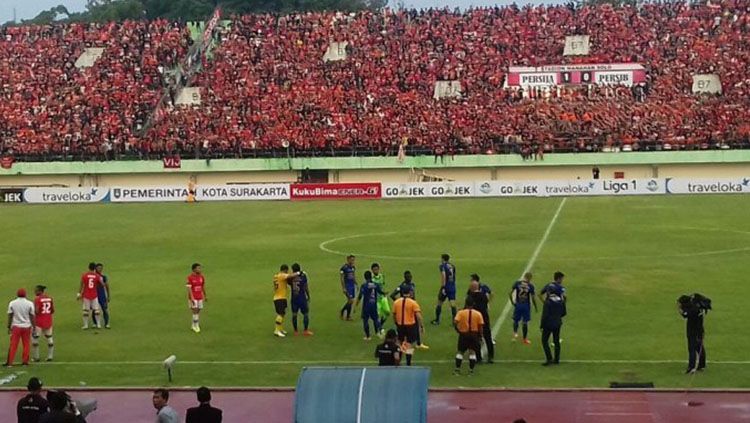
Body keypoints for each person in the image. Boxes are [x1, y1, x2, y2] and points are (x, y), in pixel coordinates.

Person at [539, 272, 567, 366]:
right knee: (556, 340)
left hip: (548, 323)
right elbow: (564, 312)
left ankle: (549, 358)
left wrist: (542, 325)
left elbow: (545, 315)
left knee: (544, 340)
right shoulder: (561, 301)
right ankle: (557, 359)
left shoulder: (547, 302)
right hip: (557, 322)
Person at [678, 294, 710, 374]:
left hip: (693, 332)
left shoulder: (693, 310)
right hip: (699, 331)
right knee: (699, 347)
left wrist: (680, 308)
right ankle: (702, 365)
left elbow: (685, 315)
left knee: (692, 349)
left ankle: (691, 367)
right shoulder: (699, 308)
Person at [392, 288, 424, 366]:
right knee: (409, 344)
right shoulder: (413, 303)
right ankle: (408, 363)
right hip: (410, 326)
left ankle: (397, 362)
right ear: (409, 293)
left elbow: (394, 315)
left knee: (399, 343)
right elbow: (418, 316)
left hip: (400, 326)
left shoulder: (396, 302)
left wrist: (396, 323)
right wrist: (421, 326)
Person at [453, 297, 484, 376]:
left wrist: (458, 330)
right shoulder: (478, 314)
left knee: (460, 352)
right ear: (473, 304)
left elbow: (455, 322)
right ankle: (471, 371)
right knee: (472, 352)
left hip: (463, 334)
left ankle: (457, 370)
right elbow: (480, 326)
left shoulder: (461, 313)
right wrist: (480, 336)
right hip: (474, 334)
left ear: (466, 304)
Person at [467, 275, 493, 363]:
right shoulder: (483, 296)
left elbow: (467, 307)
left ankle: (478, 358)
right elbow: (486, 303)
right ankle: (491, 356)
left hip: (475, 319)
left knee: (476, 338)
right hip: (484, 318)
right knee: (487, 337)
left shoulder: (470, 296)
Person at [6, 288, 35, 367]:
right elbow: (32, 316)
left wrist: (9, 326)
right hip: (26, 326)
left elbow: (10, 315)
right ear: (25, 294)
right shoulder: (29, 303)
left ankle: (10, 363)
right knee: (26, 345)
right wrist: (34, 327)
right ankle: (25, 362)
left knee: (13, 345)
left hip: (16, 326)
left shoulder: (12, 303)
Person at [355, 271, 384, 341]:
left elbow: (360, 296)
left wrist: (356, 305)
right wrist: (385, 293)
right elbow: (380, 292)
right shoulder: (375, 284)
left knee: (365, 320)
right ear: (371, 276)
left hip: (366, 306)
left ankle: (368, 336)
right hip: (373, 304)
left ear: (365, 277)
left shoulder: (364, 285)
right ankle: (380, 331)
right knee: (376, 319)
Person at [510, 272, 537, 345]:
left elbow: (510, 293)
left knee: (516, 320)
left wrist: (512, 302)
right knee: (525, 322)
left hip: (518, 304)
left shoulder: (517, 283)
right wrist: (535, 306)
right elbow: (533, 298)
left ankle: (515, 334)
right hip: (526, 306)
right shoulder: (530, 286)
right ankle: (524, 339)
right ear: (530, 278)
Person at [272, 264, 299, 337]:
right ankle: (277, 330)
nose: (287, 272)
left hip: (279, 297)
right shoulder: (281, 275)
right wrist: (299, 273)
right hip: (280, 298)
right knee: (280, 314)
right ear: (284, 270)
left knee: (282, 313)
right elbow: (290, 276)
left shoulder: (276, 276)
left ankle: (280, 329)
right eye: (287, 271)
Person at [431, 254, 457, 325]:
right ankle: (454, 321)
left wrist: (443, 287)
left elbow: (443, 275)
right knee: (452, 304)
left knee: (439, 303)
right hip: (452, 287)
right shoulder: (452, 266)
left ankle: (437, 320)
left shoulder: (442, 266)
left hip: (446, 287)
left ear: (443, 259)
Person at [32, 286, 54, 362]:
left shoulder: (37, 299)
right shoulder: (50, 298)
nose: (35, 292)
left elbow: (37, 311)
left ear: (40, 291)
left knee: (35, 339)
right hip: (48, 321)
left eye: (36, 291)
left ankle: (36, 357)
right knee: (49, 338)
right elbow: (52, 310)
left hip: (39, 322)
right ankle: (50, 356)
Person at [290, 263, 313, 336]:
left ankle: (295, 331)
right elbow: (305, 287)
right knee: (305, 314)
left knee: (294, 314)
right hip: (302, 298)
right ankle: (305, 330)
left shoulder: (291, 277)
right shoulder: (303, 276)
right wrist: (308, 296)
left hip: (294, 298)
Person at [78, 263, 102, 330]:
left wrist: (78, 294)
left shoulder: (84, 275)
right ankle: (98, 324)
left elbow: (81, 285)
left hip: (86, 295)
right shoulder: (96, 276)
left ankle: (85, 325)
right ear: (94, 268)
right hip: (94, 295)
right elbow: (102, 284)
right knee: (96, 310)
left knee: (86, 311)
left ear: (88, 267)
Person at [186, 263, 206, 333]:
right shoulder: (190, 277)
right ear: (194, 269)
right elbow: (189, 288)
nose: (200, 269)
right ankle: (196, 326)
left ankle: (193, 324)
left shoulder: (201, 277)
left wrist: (205, 295)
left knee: (198, 310)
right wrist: (192, 298)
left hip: (199, 296)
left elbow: (202, 286)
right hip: (193, 297)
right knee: (195, 310)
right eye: (198, 268)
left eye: (200, 268)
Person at [371, 263, 390, 329]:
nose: (376, 271)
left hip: (383, 297)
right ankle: (378, 328)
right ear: (372, 270)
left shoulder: (382, 276)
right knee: (377, 315)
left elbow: (382, 285)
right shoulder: (371, 279)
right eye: (374, 270)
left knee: (387, 312)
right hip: (376, 299)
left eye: (377, 269)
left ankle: (381, 324)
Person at [339, 255, 357, 321]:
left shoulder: (353, 267)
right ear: (348, 259)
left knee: (350, 301)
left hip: (352, 286)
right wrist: (344, 287)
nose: (352, 261)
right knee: (350, 300)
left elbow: (353, 275)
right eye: (351, 260)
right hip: (347, 286)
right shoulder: (344, 268)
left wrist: (356, 283)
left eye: (353, 260)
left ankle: (348, 316)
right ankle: (342, 311)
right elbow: (342, 278)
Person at [93, 263, 110, 329]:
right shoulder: (93, 276)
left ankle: (107, 323)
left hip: (102, 294)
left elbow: (107, 286)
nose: (100, 269)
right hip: (95, 294)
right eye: (98, 268)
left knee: (104, 309)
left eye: (101, 268)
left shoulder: (103, 277)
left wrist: (108, 296)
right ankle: (95, 323)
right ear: (95, 268)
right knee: (95, 309)